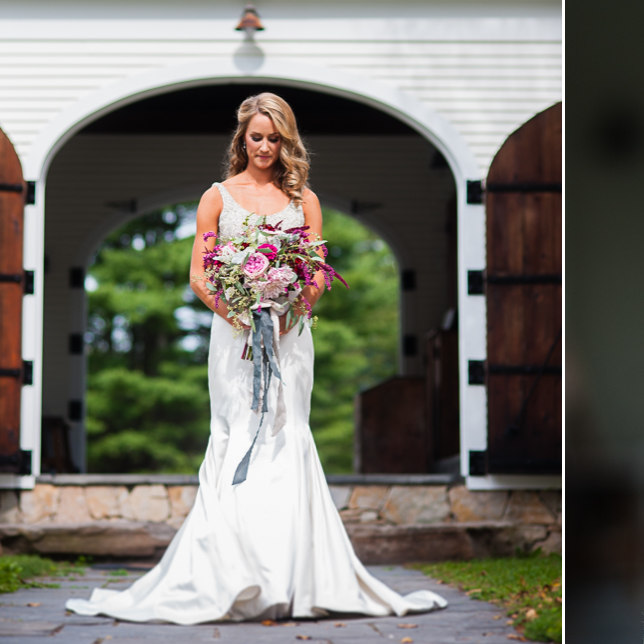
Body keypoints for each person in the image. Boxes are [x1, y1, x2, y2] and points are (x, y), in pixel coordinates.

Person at [66, 92, 446, 624]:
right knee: (237, 432)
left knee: (287, 434)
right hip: (235, 337)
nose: (265, 147)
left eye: (274, 138)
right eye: (256, 137)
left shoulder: (304, 200)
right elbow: (199, 274)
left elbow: (314, 269)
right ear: (241, 139)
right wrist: (239, 312)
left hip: (290, 336)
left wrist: (296, 308)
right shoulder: (217, 196)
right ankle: (230, 573)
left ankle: (292, 576)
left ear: (286, 141)